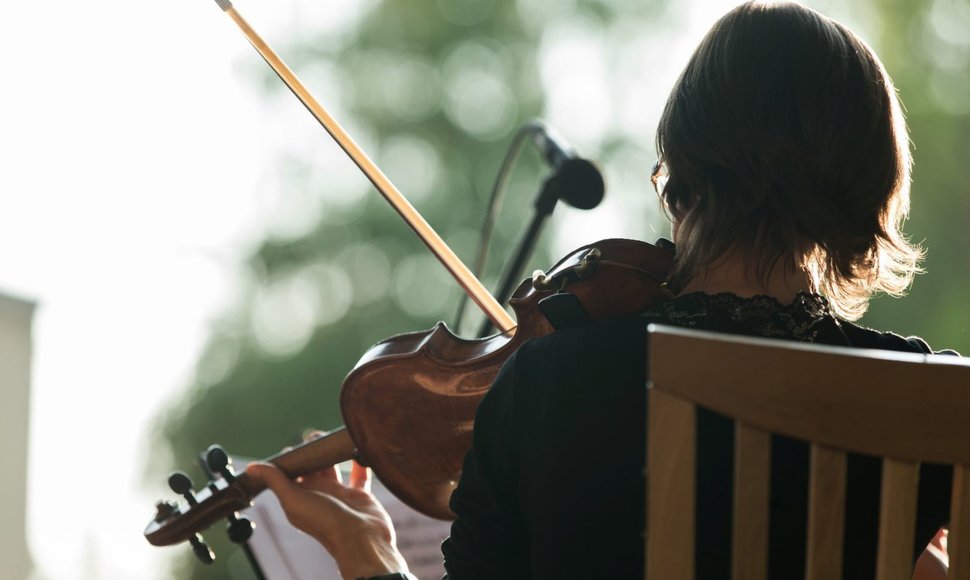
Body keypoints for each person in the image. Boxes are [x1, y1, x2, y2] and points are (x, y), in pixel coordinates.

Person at [246, 1, 959, 578]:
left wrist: (367, 553)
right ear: (868, 189)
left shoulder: (556, 383)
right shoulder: (927, 400)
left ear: (681, 178)